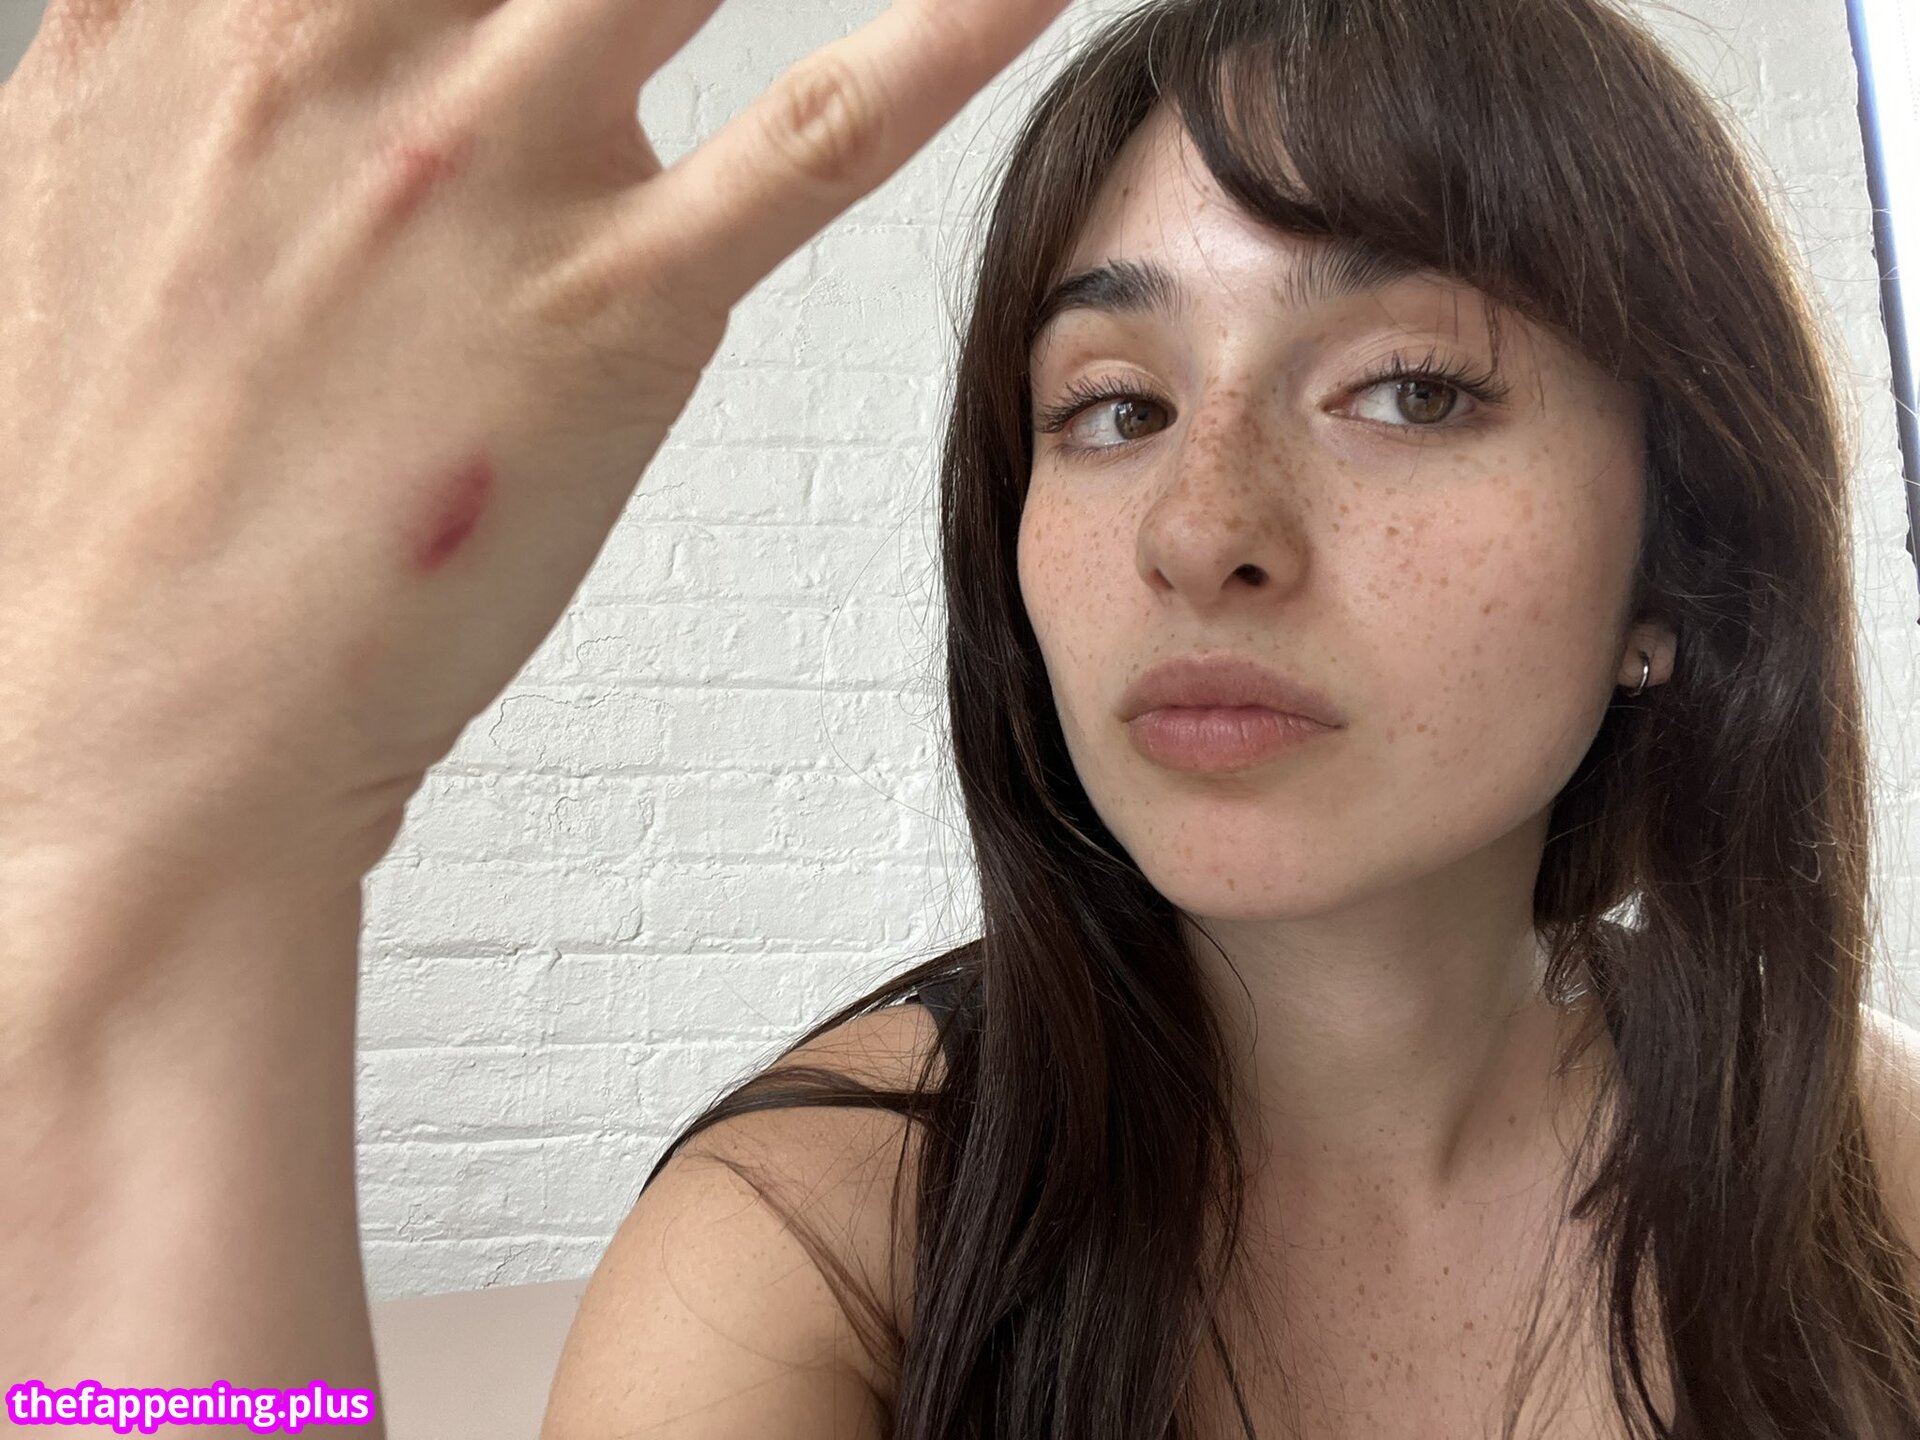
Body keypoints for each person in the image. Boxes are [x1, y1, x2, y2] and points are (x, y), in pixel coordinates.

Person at [2, 0, 1917, 1436]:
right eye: (1113, 406)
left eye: (1411, 388)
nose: (1199, 530)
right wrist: (164, 873)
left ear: (1680, 567)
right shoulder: (810, 1247)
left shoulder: (1866, 1162)